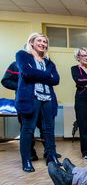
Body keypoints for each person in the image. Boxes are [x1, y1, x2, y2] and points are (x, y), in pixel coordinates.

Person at [15, 32, 62, 172]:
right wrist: (47, 75)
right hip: (31, 98)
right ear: (31, 42)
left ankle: (51, 156)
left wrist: (40, 75)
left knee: (49, 129)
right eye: (40, 41)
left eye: (45, 42)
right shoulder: (22, 55)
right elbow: (27, 73)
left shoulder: (49, 62)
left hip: (48, 98)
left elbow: (56, 80)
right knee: (28, 129)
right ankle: (26, 160)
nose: (43, 44)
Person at [2, 61, 62, 161]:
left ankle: (49, 152)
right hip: (26, 102)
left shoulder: (45, 64)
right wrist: (22, 86)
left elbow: (54, 80)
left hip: (45, 101)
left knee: (46, 128)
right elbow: (5, 81)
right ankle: (30, 153)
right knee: (28, 129)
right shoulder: (16, 64)